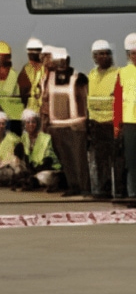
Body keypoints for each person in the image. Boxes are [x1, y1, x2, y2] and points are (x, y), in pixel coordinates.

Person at [45, 48, 89, 196]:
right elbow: (44, 101)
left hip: (76, 126)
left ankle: (85, 188)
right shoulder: (48, 78)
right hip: (57, 127)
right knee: (66, 160)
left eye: (64, 60)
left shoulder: (79, 77)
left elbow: (85, 99)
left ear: (69, 60)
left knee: (79, 160)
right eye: (59, 61)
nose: (62, 64)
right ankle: (73, 186)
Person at [87, 40, 122, 198]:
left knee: (117, 160)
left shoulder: (117, 73)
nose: (105, 57)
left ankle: (121, 191)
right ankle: (103, 189)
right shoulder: (92, 75)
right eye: (101, 54)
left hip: (111, 123)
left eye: (107, 54)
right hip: (96, 124)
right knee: (100, 160)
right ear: (94, 57)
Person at [115, 33, 136, 198]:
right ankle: (133, 194)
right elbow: (117, 101)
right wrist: (117, 125)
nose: (135, 56)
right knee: (131, 161)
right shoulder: (123, 73)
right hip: (130, 123)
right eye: (132, 53)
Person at [21, 109, 61, 191]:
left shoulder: (45, 138)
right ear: (24, 125)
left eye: (33, 122)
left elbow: (48, 160)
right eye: (28, 122)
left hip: (49, 168)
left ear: (37, 124)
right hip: (34, 170)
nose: (31, 125)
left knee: (41, 177)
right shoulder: (24, 138)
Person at [0, 41, 24, 122]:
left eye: (5, 56)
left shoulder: (14, 74)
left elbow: (7, 92)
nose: (1, 58)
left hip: (13, 115)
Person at [19, 38, 45, 113]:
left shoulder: (46, 69)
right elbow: (23, 92)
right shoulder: (26, 69)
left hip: (43, 110)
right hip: (30, 110)